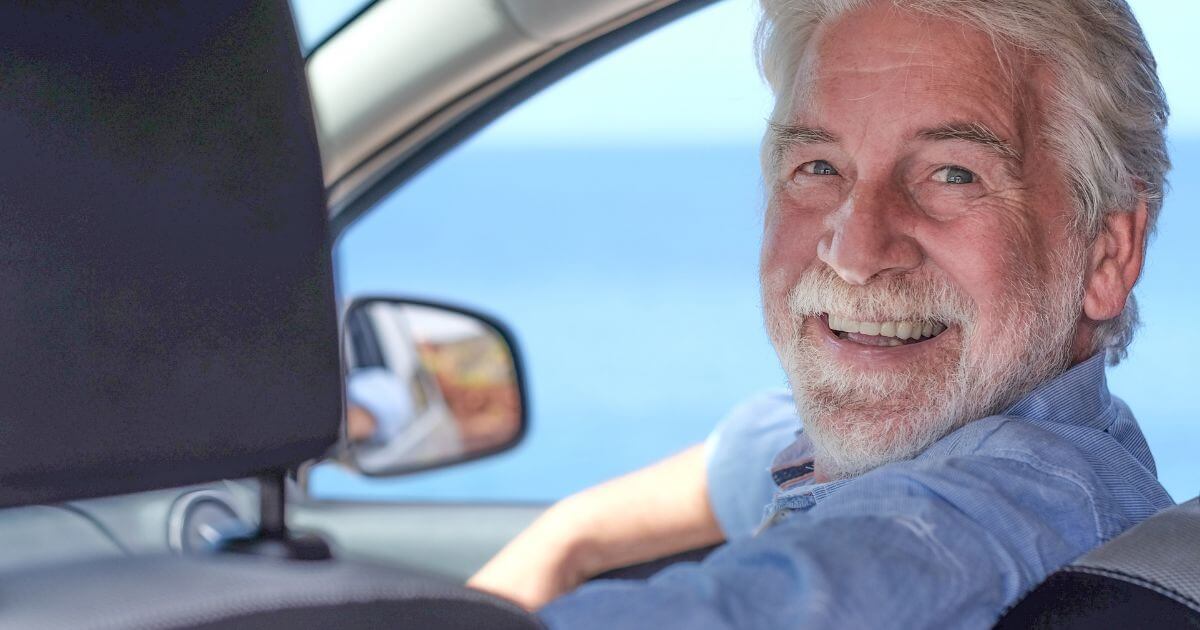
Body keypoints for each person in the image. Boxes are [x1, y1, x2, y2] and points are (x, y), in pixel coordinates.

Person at [467, 0, 1176, 627]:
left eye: (953, 173)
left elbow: (804, 599)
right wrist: (568, 535)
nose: (855, 251)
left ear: (1106, 255)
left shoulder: (1031, 496)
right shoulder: (932, 432)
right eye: (819, 168)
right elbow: (751, 451)